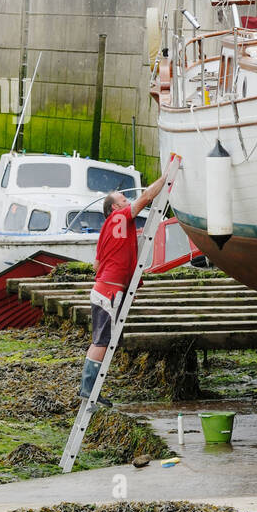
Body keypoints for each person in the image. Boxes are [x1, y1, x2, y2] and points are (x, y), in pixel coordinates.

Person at [79, 173, 169, 404]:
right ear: (114, 208)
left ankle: (89, 387)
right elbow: (147, 196)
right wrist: (167, 175)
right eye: (123, 201)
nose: (128, 203)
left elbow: (96, 264)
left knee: (100, 339)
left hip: (105, 288)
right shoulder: (119, 217)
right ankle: (90, 388)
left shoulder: (107, 228)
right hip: (109, 291)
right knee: (102, 340)